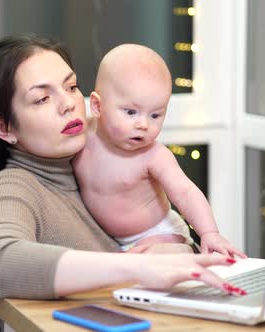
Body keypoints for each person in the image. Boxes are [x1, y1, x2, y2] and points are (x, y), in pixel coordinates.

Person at [0, 35, 245, 300]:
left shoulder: (91, 151)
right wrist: (132, 267)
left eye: (71, 87)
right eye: (42, 98)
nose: (68, 104)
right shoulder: (13, 186)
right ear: (4, 128)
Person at [73, 44, 246, 257]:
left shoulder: (154, 155)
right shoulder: (81, 136)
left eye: (155, 115)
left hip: (158, 232)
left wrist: (209, 232)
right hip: (109, 239)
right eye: (131, 112)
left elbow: (185, 192)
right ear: (98, 106)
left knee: (159, 258)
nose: (143, 124)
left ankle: (185, 254)